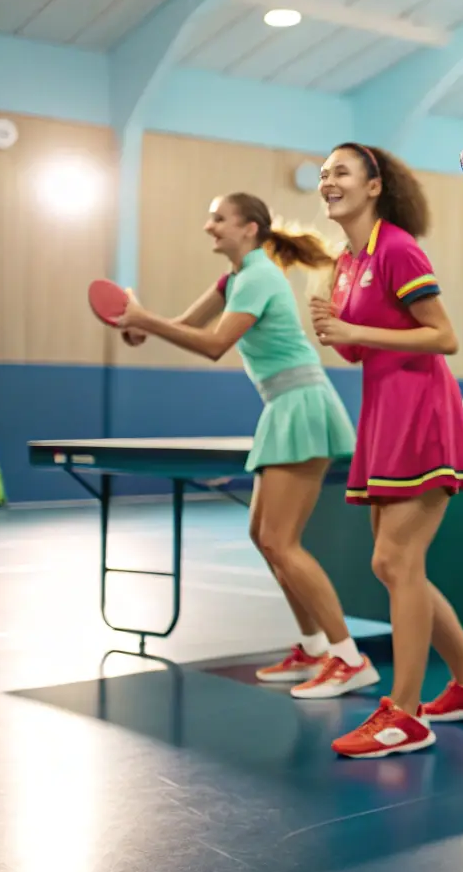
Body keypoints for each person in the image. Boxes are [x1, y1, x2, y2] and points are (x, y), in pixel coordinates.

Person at [115, 192, 378, 697]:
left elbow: (214, 345)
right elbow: (188, 326)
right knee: (265, 538)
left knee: (283, 541)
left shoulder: (258, 277)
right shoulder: (234, 279)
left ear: (249, 229)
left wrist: (145, 319)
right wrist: (139, 326)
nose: (209, 226)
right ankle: (314, 647)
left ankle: (349, 658)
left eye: (219, 219)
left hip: (302, 405)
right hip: (282, 406)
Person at [309, 141, 463, 759]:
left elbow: (443, 336)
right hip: (382, 413)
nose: (327, 181)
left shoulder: (396, 246)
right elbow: (365, 348)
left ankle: (403, 713)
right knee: (395, 565)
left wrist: (353, 329)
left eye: (340, 171)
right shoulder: (346, 262)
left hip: (421, 412)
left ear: (374, 186)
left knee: (397, 562)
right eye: (322, 174)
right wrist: (335, 331)